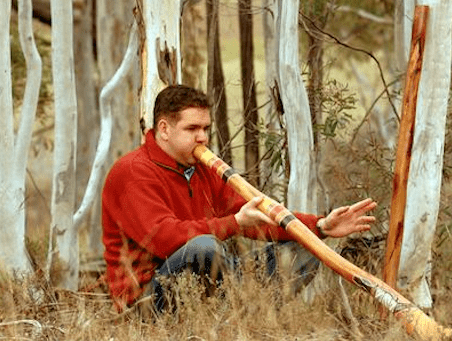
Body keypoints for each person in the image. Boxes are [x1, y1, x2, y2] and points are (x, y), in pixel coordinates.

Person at [102, 84, 377, 313]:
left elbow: (255, 216)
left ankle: (242, 315)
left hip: (205, 285)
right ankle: (232, 309)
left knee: (307, 248)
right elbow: (165, 238)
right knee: (204, 248)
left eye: (206, 128)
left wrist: (318, 227)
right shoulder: (132, 172)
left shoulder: (202, 170)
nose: (203, 138)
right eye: (192, 129)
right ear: (164, 129)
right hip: (147, 299)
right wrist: (234, 223)